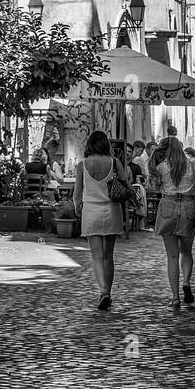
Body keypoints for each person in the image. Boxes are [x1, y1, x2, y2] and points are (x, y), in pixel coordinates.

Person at [73, 130, 131, 311]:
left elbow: (77, 194)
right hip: (112, 211)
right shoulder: (114, 162)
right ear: (106, 144)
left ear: (90, 144)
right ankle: (108, 291)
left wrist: (77, 208)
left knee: (96, 256)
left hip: (91, 211)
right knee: (108, 256)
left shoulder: (82, 165)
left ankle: (103, 291)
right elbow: (126, 185)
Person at [150, 135, 195, 311]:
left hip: (168, 206)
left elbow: (153, 188)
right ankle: (186, 282)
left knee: (172, 256)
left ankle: (174, 297)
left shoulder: (161, 168)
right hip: (188, 206)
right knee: (186, 252)